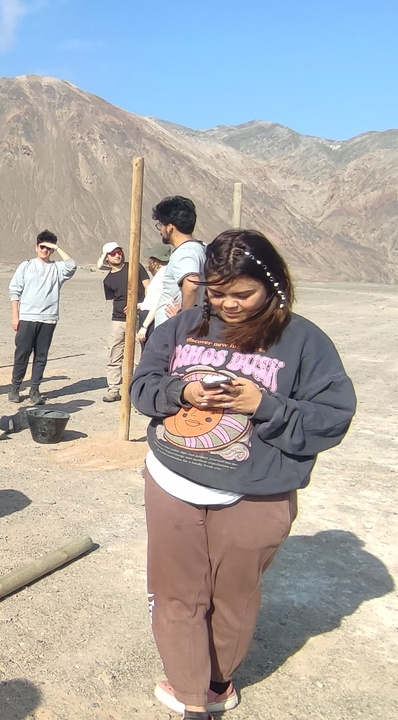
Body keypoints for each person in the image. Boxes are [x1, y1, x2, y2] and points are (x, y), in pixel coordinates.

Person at [129, 229, 356, 720]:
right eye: (216, 292)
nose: (228, 305)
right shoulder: (181, 326)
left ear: (273, 285)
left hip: (257, 493)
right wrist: (181, 392)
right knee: (177, 594)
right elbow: (142, 387)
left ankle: (216, 681)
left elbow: (331, 419)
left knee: (233, 596)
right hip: (173, 482)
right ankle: (191, 695)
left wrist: (264, 404)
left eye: (242, 293)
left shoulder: (304, 341)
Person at [7, 230, 76, 405]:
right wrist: (15, 316)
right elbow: (14, 290)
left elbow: (72, 265)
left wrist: (57, 248)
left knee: (41, 356)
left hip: (48, 318)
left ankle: (35, 389)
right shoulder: (26, 266)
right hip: (27, 317)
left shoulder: (57, 268)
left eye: (48, 248)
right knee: (22, 353)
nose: (45, 250)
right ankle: (15, 387)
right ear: (36, 247)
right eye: (42, 246)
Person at [98, 241, 145, 403]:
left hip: (138, 317)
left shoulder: (134, 267)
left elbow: (148, 287)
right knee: (115, 353)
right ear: (107, 258)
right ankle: (113, 389)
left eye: (119, 252)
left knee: (138, 355)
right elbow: (113, 301)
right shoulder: (108, 280)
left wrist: (139, 305)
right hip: (118, 320)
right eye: (113, 253)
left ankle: (137, 389)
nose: (117, 255)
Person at [150, 196, 205, 325]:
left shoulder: (185, 252)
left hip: (174, 331)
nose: (160, 230)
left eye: (161, 225)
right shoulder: (201, 248)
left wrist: (184, 319)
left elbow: (191, 284)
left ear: (170, 227)